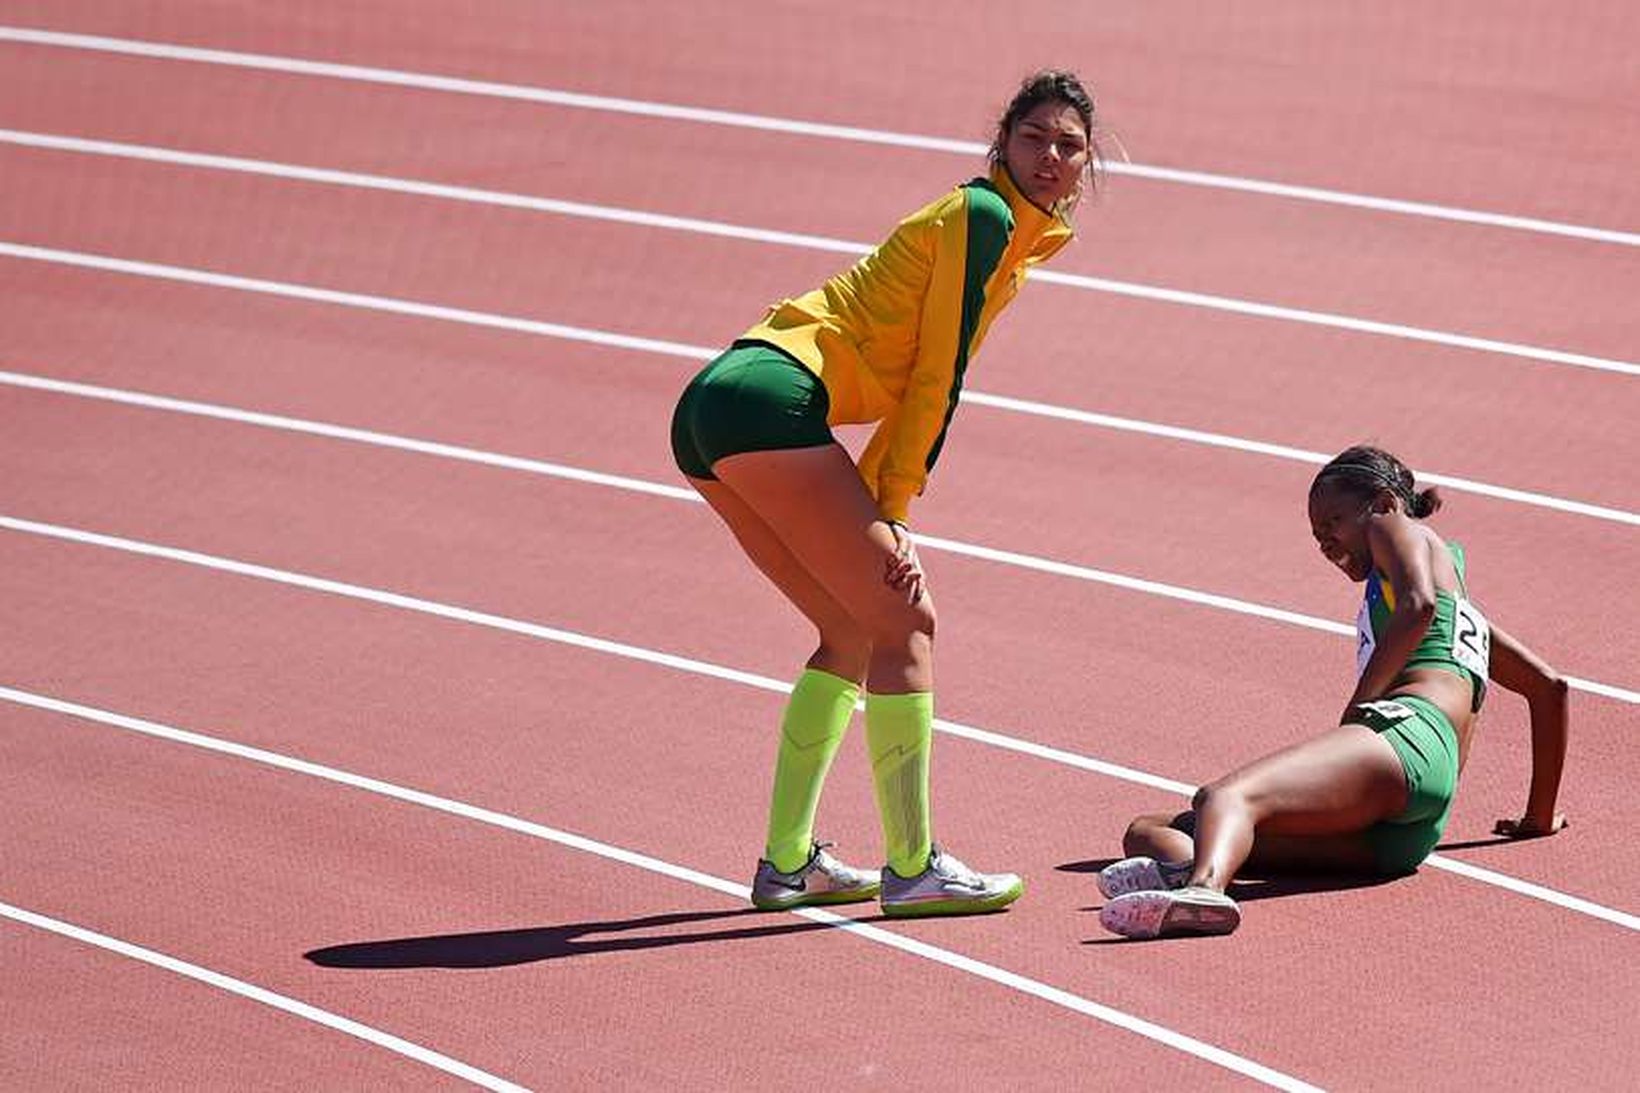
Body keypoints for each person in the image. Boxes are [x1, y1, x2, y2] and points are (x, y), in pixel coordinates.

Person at [670, 71, 1104, 916]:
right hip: (769, 395)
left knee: (850, 626)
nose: (1051, 156)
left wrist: (878, 509)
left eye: (1069, 145)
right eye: (1034, 138)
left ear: (1087, 164)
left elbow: (910, 384)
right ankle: (913, 867)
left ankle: (788, 864)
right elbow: (937, 377)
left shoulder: (1005, 237)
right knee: (906, 619)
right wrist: (894, 515)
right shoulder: (982, 216)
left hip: (717, 405)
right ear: (1001, 144)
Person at [1097, 445, 1570, 939]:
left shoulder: (1400, 529)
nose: (1325, 542)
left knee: (1222, 797)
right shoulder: (1463, 617)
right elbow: (1550, 689)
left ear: (1385, 504)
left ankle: (1204, 891)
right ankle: (1190, 872)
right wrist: (1539, 817)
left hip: (1408, 738)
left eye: (1334, 522)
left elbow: (1417, 605)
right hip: (1405, 837)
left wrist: (1359, 711)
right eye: (1317, 534)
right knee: (1153, 832)